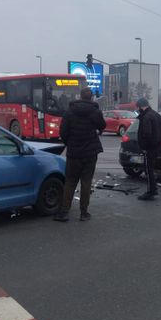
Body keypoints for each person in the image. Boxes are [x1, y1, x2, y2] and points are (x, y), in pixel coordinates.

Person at [54, 87, 106, 222]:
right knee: (86, 181)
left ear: (80, 96)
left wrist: (70, 143)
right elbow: (102, 126)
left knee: (70, 181)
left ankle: (64, 212)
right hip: (90, 152)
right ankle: (84, 213)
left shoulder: (70, 111)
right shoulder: (95, 112)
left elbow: (63, 132)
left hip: (74, 152)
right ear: (91, 98)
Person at [135, 97, 161, 201]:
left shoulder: (146, 117)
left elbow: (146, 134)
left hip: (149, 148)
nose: (137, 110)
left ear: (141, 106)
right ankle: (153, 189)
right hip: (157, 146)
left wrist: (144, 147)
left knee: (148, 170)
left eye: (138, 107)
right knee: (151, 169)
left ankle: (151, 191)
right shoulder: (156, 115)